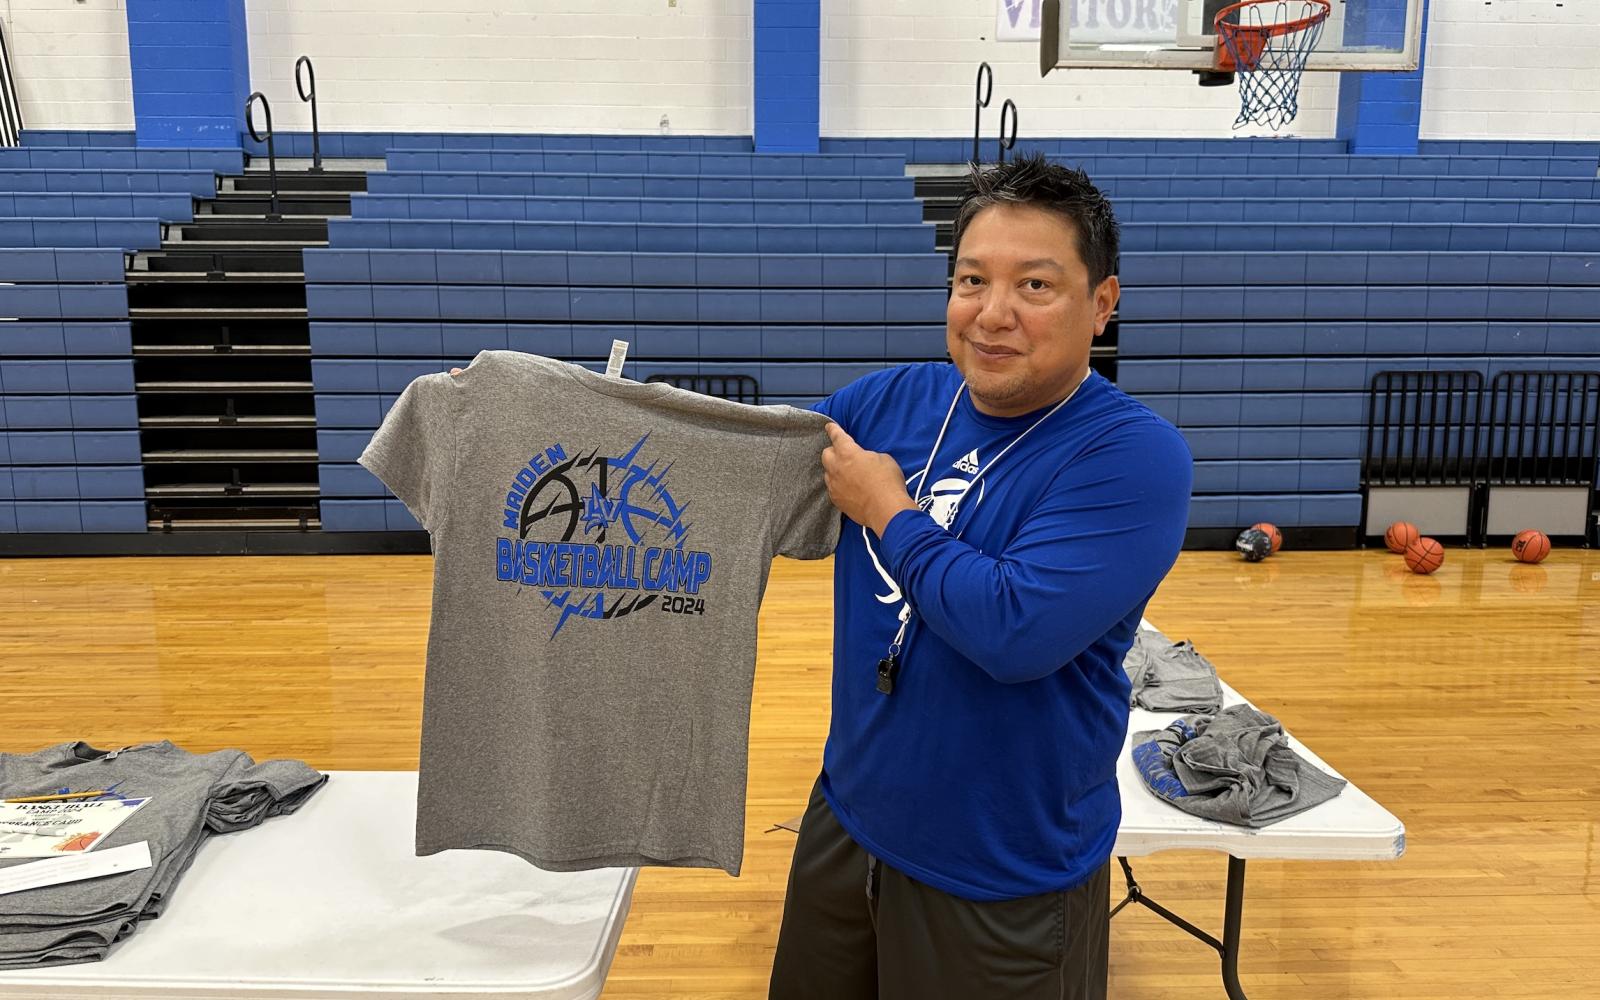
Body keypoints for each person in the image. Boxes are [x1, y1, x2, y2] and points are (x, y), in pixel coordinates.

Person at [767, 153, 1193, 1000]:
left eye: (1035, 286)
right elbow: (739, 464)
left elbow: (1014, 630)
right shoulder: (892, 402)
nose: (993, 315)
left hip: (1001, 867)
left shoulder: (1134, 455)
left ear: (1101, 305)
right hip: (849, 818)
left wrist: (889, 511)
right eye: (971, 281)